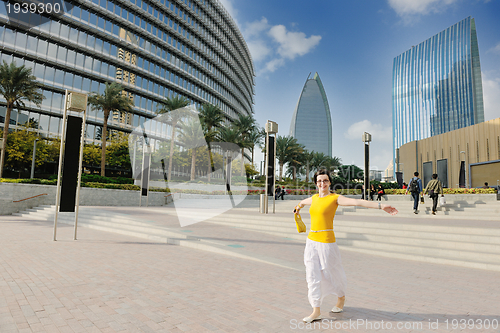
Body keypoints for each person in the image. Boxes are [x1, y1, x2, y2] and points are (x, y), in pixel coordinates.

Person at [293, 170, 398, 323]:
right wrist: (298, 208)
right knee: (311, 275)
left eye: (325, 181)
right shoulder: (314, 198)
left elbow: (357, 202)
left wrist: (381, 205)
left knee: (332, 272)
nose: (322, 184)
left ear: (330, 182)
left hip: (327, 243)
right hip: (311, 243)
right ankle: (316, 311)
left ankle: (341, 298)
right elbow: (302, 203)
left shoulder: (335, 198)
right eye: (319, 181)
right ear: (316, 183)